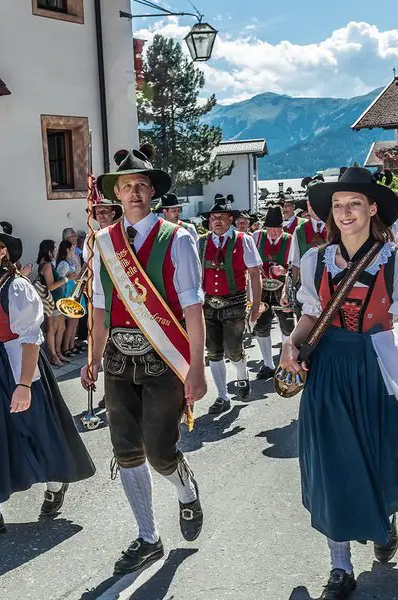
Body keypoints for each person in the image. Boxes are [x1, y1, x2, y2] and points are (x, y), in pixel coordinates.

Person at [279, 167, 398, 600]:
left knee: (377, 457)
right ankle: (340, 567)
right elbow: (310, 317)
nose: (345, 212)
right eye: (337, 205)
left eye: (354, 203)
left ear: (372, 208)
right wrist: (290, 344)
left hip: (377, 368)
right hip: (328, 370)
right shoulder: (314, 259)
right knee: (332, 467)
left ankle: (382, 519)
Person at [82, 145, 208, 575]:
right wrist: (92, 357)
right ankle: (147, 537)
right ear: (115, 193)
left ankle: (185, 489)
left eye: (141, 185)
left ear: (151, 192)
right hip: (118, 356)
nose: (133, 192)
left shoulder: (178, 238)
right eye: (126, 186)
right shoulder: (102, 243)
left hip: (164, 357)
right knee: (126, 450)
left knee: (159, 451)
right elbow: (99, 307)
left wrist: (197, 367)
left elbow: (192, 308)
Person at [0, 219, 95, 544]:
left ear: (3, 252)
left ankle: (56, 483)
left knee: (34, 430)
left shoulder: (18, 288)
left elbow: (31, 339)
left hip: (18, 367)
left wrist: (25, 385)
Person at [199, 196, 262, 414]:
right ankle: (222, 396)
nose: (217, 221)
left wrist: (256, 305)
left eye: (222, 217)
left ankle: (242, 375)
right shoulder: (201, 242)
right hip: (208, 304)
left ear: (230, 220)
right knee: (213, 351)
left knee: (233, 349)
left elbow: (254, 274)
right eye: (214, 218)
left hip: (235, 302)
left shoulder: (243, 239)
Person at [252, 208, 294, 379]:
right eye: (271, 229)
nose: (275, 232)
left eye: (278, 228)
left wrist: (284, 271)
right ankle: (268, 364)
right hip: (262, 289)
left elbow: (294, 265)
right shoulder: (257, 237)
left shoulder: (290, 239)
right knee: (261, 326)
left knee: (287, 325)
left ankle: (286, 362)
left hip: (282, 288)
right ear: (265, 228)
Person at [35, 240, 68, 366]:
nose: (56, 251)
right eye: (54, 248)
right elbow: (51, 287)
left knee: (61, 327)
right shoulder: (47, 265)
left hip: (57, 301)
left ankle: (58, 353)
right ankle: (53, 356)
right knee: (52, 328)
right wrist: (66, 279)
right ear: (48, 250)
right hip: (51, 302)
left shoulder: (49, 264)